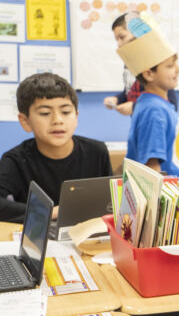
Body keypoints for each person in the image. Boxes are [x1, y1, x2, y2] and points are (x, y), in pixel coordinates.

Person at [0, 73, 111, 222]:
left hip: (87, 238)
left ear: (76, 116)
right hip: (40, 237)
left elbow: (112, 202)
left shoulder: (97, 152)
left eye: (65, 112)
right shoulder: (15, 160)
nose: (58, 120)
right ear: (25, 121)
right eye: (45, 113)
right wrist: (50, 212)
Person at [116, 15, 179, 179]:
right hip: (169, 199)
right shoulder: (154, 111)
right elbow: (152, 170)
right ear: (149, 73)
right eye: (170, 66)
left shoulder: (157, 104)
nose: (178, 70)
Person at [104, 13, 178, 116]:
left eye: (122, 37)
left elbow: (170, 104)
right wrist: (117, 99)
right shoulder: (129, 63)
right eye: (117, 39)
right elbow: (130, 92)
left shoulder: (154, 64)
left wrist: (134, 107)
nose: (119, 44)